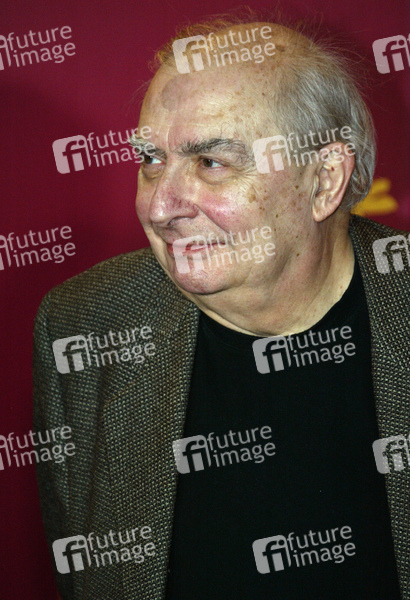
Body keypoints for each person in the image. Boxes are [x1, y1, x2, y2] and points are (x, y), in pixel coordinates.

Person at [33, 16, 409, 600]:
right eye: (151, 160)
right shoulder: (85, 324)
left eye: (211, 163)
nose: (161, 207)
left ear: (324, 180)